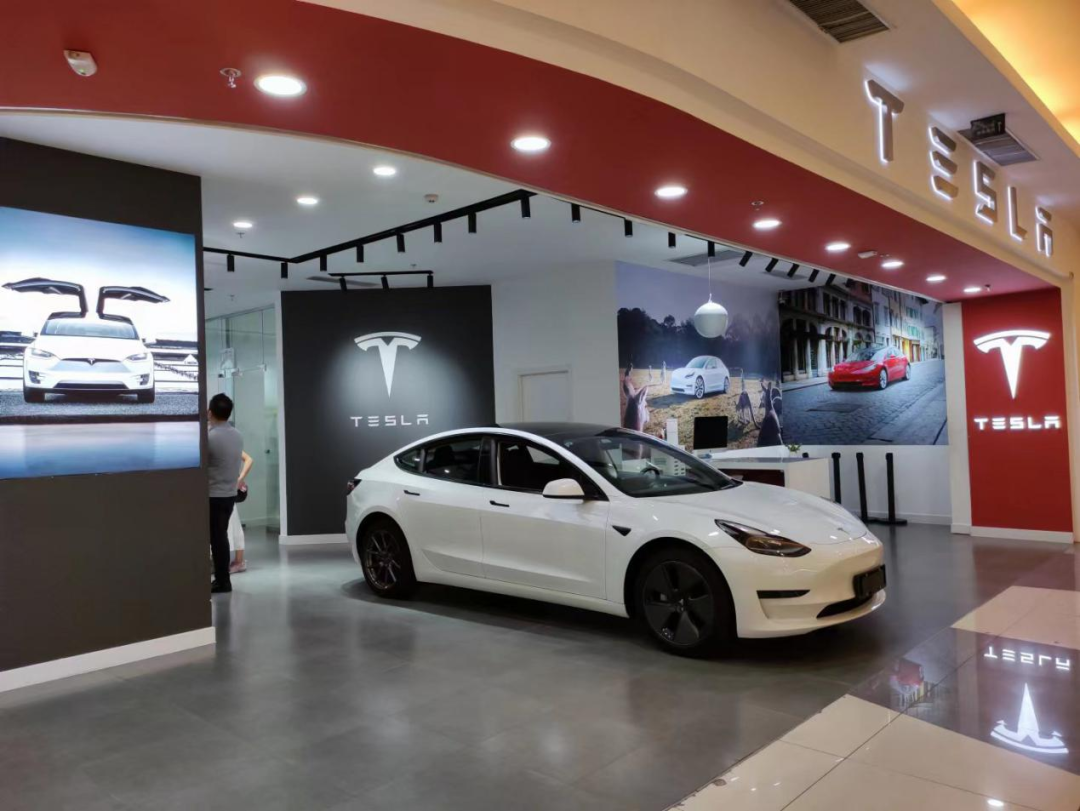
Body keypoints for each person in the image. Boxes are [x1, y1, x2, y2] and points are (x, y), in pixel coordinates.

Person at [207, 393, 243, 593]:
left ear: (210, 412)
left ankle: (222, 581)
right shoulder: (237, 435)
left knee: (216, 539)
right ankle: (223, 579)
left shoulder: (210, 437)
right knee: (220, 537)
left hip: (213, 495)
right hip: (229, 494)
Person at [228, 450, 253, 574]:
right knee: (232, 521)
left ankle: (239, 561)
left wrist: (240, 478)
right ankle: (238, 561)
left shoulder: (230, 443)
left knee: (232, 522)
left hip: (227, 489)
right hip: (223, 488)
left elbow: (249, 459)